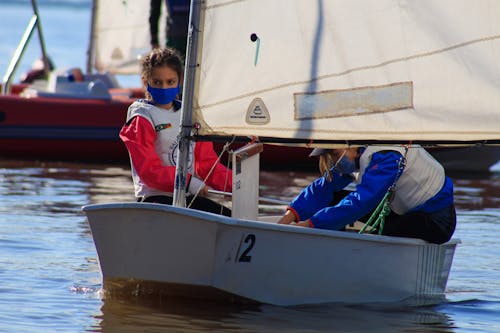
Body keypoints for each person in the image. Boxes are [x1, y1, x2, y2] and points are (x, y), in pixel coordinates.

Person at [119, 47, 232, 216]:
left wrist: (238, 185)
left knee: (228, 217)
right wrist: (188, 182)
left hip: (186, 197)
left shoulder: (190, 116)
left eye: (170, 82)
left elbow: (206, 164)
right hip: (155, 200)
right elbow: (148, 171)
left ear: (180, 81)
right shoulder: (142, 118)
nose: (164, 87)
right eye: (157, 82)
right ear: (145, 82)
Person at [278, 145, 456, 244]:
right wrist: (288, 218)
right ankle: (323, 246)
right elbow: (324, 188)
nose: (333, 161)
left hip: (435, 222)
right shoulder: (356, 153)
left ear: (349, 143)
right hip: (405, 213)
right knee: (334, 198)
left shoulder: (387, 156)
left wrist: (311, 224)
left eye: (334, 153)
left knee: (387, 233)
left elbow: (362, 202)